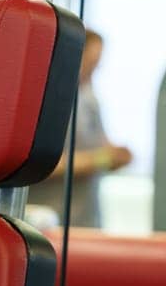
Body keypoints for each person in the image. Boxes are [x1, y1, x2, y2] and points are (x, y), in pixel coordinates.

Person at [27, 29, 131, 229]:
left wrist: (117, 157)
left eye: (97, 64)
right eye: (90, 63)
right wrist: (101, 158)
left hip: (86, 217)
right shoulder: (46, 99)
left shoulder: (90, 98)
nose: (93, 71)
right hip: (50, 218)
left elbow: (103, 146)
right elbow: (41, 165)